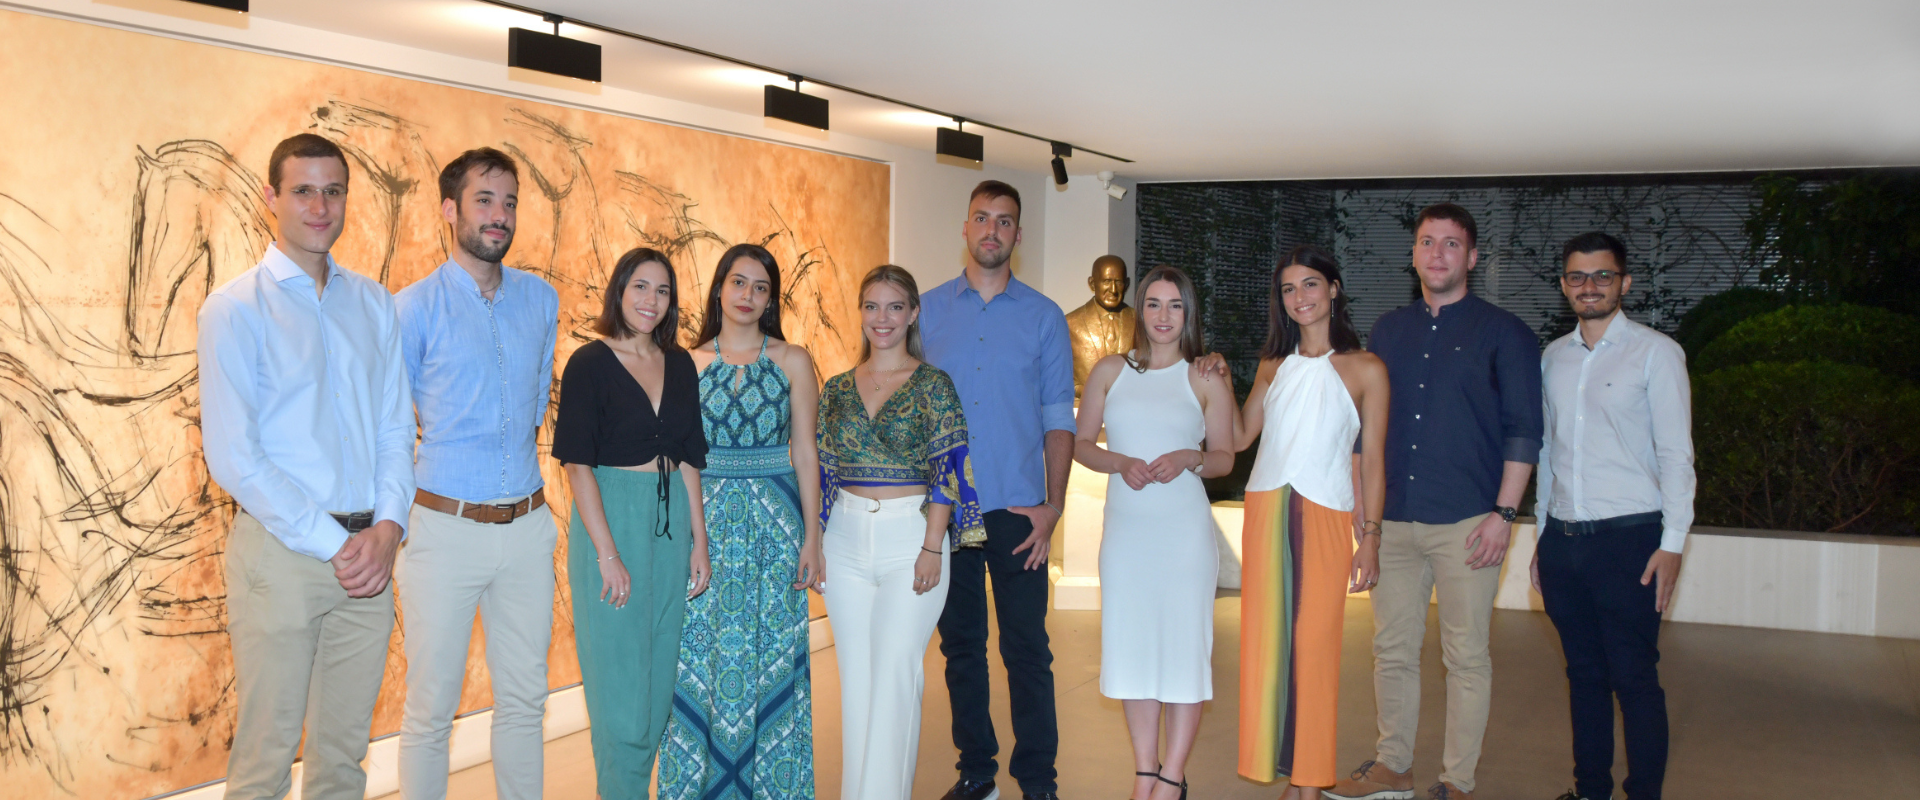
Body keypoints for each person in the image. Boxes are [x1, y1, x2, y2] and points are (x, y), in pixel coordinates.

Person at [197, 133, 414, 800]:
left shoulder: (373, 303)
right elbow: (235, 457)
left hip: (369, 559)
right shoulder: (234, 309)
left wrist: (388, 529)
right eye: (303, 191)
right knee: (264, 761)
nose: (320, 207)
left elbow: (395, 429)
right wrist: (334, 542)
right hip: (282, 555)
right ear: (272, 198)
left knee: (342, 760)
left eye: (333, 191)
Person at [1328, 204, 1543, 800]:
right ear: (1414, 254)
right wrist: (1362, 510)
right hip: (1392, 520)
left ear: (1471, 257)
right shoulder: (1387, 331)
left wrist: (1504, 516)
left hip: (1470, 522)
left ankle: (1457, 781)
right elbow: (1365, 426)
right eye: (1427, 242)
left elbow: (1524, 431)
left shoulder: (1506, 333)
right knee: (1391, 651)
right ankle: (1393, 767)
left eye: (1451, 244)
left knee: (1466, 656)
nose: (1438, 254)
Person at [392, 147, 560, 800]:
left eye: (509, 202)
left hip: (528, 529)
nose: (499, 215)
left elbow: (534, 407)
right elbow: (390, 427)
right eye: (484, 200)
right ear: (449, 210)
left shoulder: (540, 300)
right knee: (430, 712)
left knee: (524, 702)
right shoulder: (411, 309)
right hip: (443, 531)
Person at [921, 180, 1074, 800]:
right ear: (965, 228)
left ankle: (1038, 781)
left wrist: (1053, 506)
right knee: (961, 648)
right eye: (982, 218)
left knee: (1028, 651)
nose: (992, 230)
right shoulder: (925, 311)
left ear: (1018, 234)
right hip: (946, 508)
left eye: (1004, 221)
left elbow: (1058, 418)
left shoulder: (1044, 316)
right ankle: (977, 771)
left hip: (1018, 509)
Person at [1532, 233, 1693, 800]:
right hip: (1564, 541)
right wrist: (1542, 536)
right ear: (1564, 285)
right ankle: (1590, 791)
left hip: (1631, 542)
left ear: (1624, 282)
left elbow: (1676, 455)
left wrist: (1673, 543)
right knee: (1583, 676)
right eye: (1578, 277)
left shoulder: (1656, 353)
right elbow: (1548, 453)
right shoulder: (1552, 358)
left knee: (1634, 677)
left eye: (1603, 276)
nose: (1590, 286)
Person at [816, 264, 985, 800]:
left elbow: (948, 471)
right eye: (872, 306)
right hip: (843, 540)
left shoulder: (935, 385)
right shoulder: (836, 388)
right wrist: (814, 543)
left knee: (895, 676)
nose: (882, 318)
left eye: (894, 307)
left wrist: (933, 546)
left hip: (912, 539)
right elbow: (823, 471)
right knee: (858, 683)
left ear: (913, 313)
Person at [551, 247, 713, 799]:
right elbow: (577, 465)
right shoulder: (589, 363)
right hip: (611, 521)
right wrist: (607, 553)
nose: (651, 300)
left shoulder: (680, 363)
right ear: (619, 290)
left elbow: (690, 459)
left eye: (663, 291)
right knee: (619, 687)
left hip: (670, 526)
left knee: (656, 681)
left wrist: (699, 541)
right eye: (641, 286)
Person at [662, 243, 823, 800]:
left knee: (771, 661)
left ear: (771, 299)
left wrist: (813, 537)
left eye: (761, 287)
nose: (748, 295)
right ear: (719, 289)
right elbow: (680, 456)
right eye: (738, 282)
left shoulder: (793, 360)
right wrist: (688, 535)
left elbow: (806, 452)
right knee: (697, 660)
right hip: (703, 527)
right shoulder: (686, 363)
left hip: (776, 530)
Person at [1071, 265, 1235, 800]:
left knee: (1185, 654)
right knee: (1133, 652)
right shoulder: (1110, 370)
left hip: (1184, 538)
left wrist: (1191, 457)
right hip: (1126, 538)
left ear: (1189, 313)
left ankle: (1172, 777)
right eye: (1154, 304)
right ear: (1140, 310)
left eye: (1175, 305)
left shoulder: (1205, 376)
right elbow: (1081, 445)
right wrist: (1120, 462)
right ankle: (1146, 772)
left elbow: (1225, 457)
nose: (1164, 316)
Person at [1233, 247, 1388, 799]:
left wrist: (1370, 538)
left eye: (1310, 284)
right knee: (1267, 647)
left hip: (1325, 513)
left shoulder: (1366, 368)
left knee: (1316, 650)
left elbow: (1373, 460)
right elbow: (1239, 436)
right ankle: (1292, 774)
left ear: (1334, 289)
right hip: (1266, 509)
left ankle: (1311, 783)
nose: (1299, 297)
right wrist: (1214, 379)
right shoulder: (1272, 366)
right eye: (1288, 289)